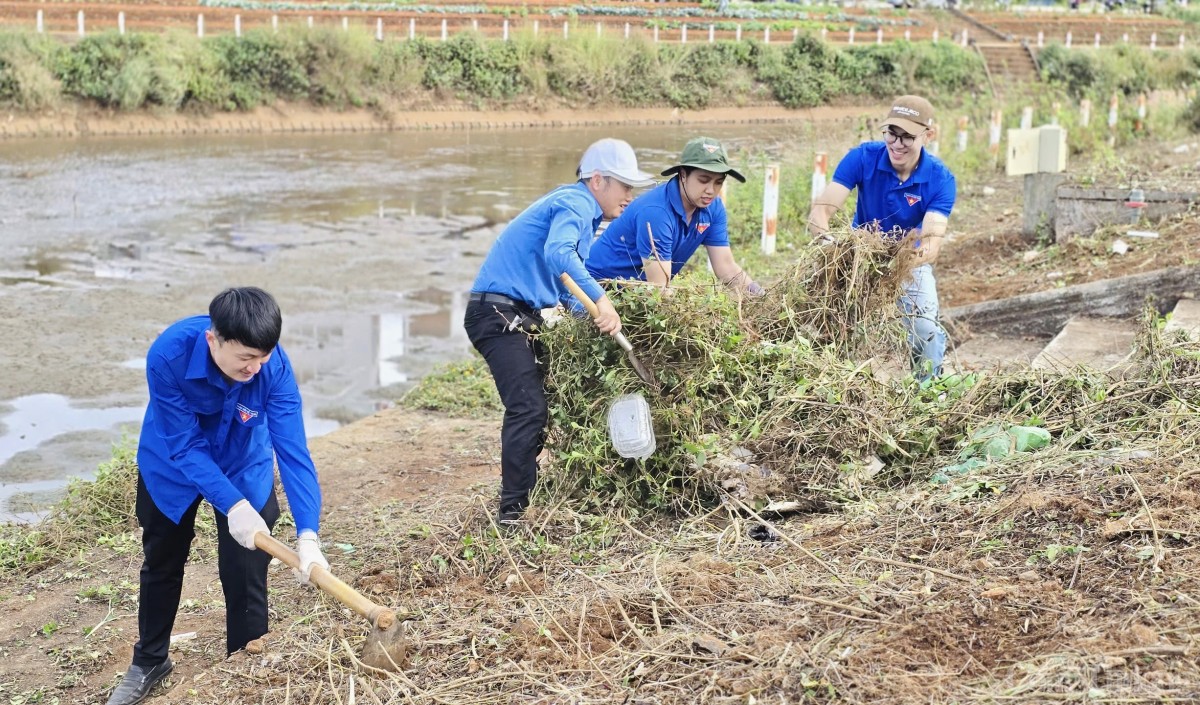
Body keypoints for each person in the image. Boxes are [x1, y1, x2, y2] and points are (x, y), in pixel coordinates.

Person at [106, 287, 328, 705]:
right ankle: (150, 660)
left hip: (244, 460)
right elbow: (185, 446)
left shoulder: (271, 367)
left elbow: (294, 453)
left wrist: (309, 535)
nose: (256, 367)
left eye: (263, 356)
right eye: (246, 357)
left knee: (246, 571)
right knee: (162, 562)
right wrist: (233, 506)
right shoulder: (168, 355)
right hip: (173, 462)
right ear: (214, 340)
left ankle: (246, 664)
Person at [465, 138, 654, 526]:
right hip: (498, 314)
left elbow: (565, 286)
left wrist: (595, 319)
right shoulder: (576, 202)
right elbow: (557, 256)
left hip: (520, 314)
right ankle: (512, 514)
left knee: (545, 401)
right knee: (528, 407)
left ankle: (528, 494)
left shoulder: (584, 219)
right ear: (598, 180)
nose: (630, 196)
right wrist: (602, 300)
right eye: (624, 186)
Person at [807, 95, 955, 381]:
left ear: (928, 135)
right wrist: (830, 246)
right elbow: (820, 212)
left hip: (908, 261)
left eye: (907, 137)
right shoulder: (863, 158)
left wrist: (902, 263)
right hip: (858, 254)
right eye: (892, 133)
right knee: (830, 319)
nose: (897, 144)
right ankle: (833, 381)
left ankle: (928, 389)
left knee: (924, 328)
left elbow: (931, 245)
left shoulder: (940, 179)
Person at [586, 136, 764, 296]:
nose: (711, 190)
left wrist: (761, 297)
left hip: (638, 291)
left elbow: (726, 267)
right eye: (703, 180)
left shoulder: (713, 208)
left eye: (718, 182)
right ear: (683, 175)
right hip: (597, 288)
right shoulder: (656, 212)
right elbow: (659, 288)